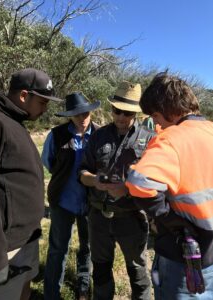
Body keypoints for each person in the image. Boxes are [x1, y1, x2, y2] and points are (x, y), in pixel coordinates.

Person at [108, 73, 213, 299]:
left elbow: (139, 182)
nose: (156, 124)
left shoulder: (170, 138)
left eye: (155, 117)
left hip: (183, 257)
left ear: (165, 110)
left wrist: (168, 218)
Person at [0, 68, 63, 300]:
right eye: (42, 102)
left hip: (26, 239)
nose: (45, 109)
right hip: (6, 248)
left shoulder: (14, 121)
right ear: (23, 96)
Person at [79, 81, 154, 300]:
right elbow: (82, 172)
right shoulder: (98, 136)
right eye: (116, 110)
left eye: (127, 112)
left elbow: (155, 183)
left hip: (131, 218)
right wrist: (94, 181)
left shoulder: (150, 140)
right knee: (101, 272)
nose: (121, 116)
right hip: (99, 218)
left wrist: (127, 189)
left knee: (138, 274)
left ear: (136, 113)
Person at [42, 92, 100, 300]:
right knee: (58, 248)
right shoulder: (56, 135)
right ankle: (52, 293)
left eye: (85, 112)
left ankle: (83, 286)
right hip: (63, 201)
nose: (82, 117)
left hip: (91, 202)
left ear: (90, 112)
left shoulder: (100, 135)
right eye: (76, 114)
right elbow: (48, 162)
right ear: (70, 116)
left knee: (88, 246)